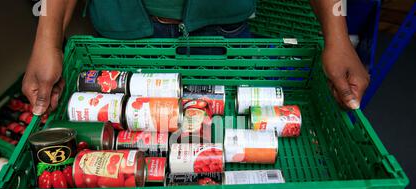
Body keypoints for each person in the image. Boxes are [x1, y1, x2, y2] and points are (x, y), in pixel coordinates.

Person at [23, 0, 370, 115]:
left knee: (218, 126)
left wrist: (337, 37)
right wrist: (47, 40)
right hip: (123, 33)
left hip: (221, 31)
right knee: (134, 133)